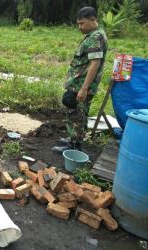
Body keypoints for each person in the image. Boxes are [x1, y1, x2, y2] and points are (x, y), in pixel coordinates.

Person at [53, 7, 108, 153]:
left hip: (81, 86)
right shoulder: (95, 35)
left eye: (82, 23)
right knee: (78, 114)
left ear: (93, 19)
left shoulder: (95, 38)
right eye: (78, 24)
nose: (79, 27)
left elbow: (94, 64)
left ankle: (73, 147)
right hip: (79, 84)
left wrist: (84, 88)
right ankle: (73, 139)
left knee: (76, 115)